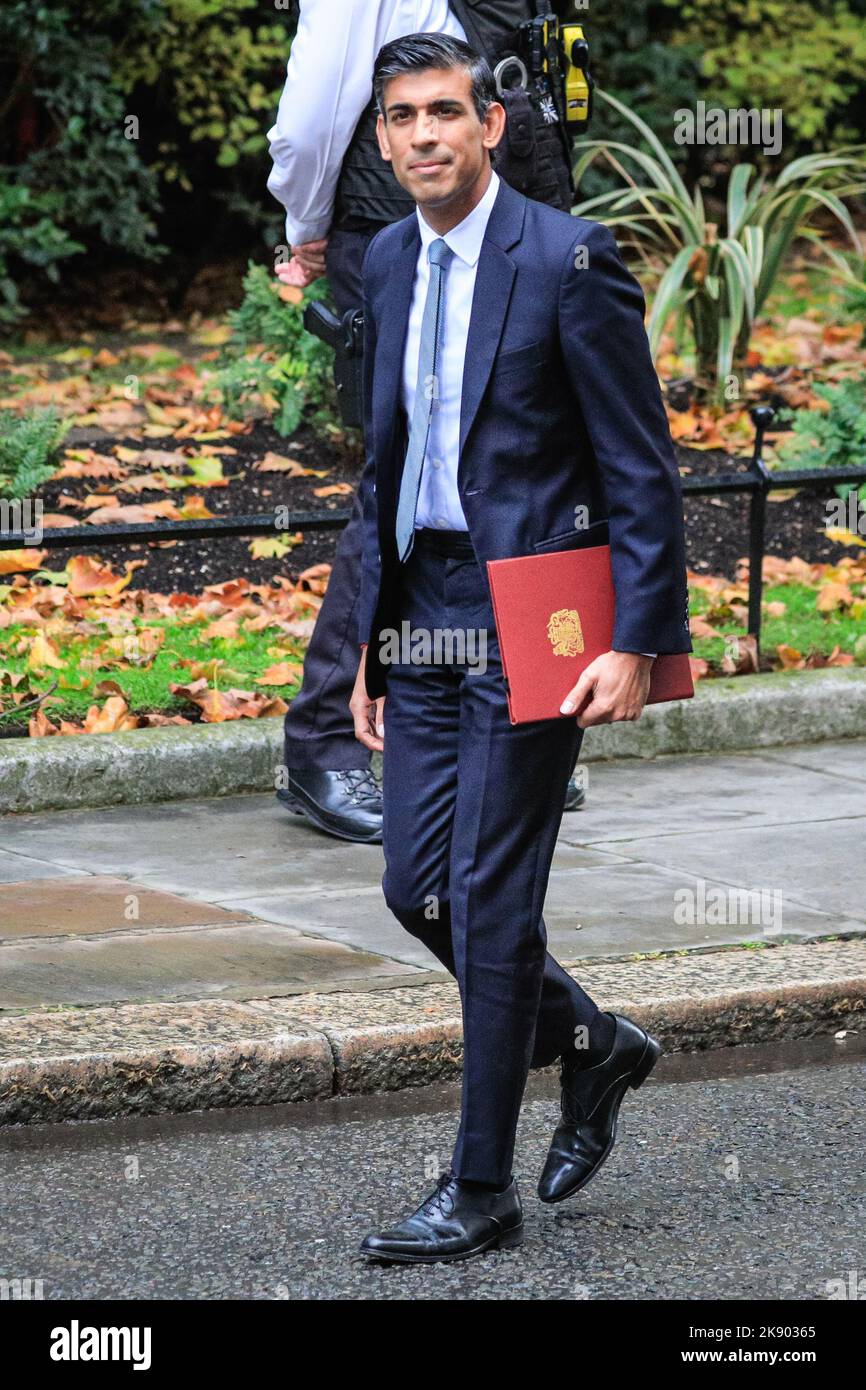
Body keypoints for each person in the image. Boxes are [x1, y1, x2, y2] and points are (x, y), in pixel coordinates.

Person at [349, 32, 692, 1264]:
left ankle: (476, 1185)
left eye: (445, 112)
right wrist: (360, 644)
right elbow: (381, 473)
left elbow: (637, 463)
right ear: (381, 140)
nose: (425, 135)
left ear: (489, 127)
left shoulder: (564, 256)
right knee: (413, 888)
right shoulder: (386, 259)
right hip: (426, 608)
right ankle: (591, 1042)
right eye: (403, 119)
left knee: (491, 899)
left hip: (539, 611)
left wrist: (637, 639)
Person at [266, 0, 586, 844]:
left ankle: (529, 711)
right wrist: (306, 231)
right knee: (405, 480)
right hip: (396, 227)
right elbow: (309, 119)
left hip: (510, 219)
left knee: (521, 451)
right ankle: (327, 744)